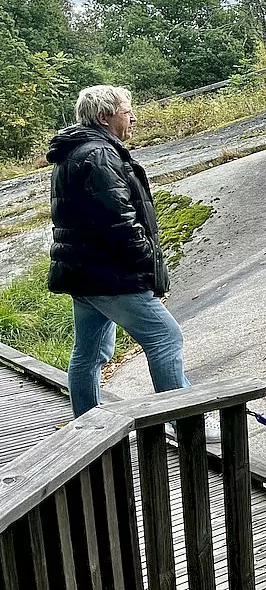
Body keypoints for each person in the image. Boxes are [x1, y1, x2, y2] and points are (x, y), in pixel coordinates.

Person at [46, 85, 218, 441]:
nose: (134, 117)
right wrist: (150, 270)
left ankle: (87, 427)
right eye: (127, 110)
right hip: (110, 275)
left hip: (83, 273)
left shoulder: (74, 152)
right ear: (105, 116)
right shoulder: (99, 156)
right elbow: (121, 224)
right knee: (165, 337)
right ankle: (186, 425)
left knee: (89, 352)